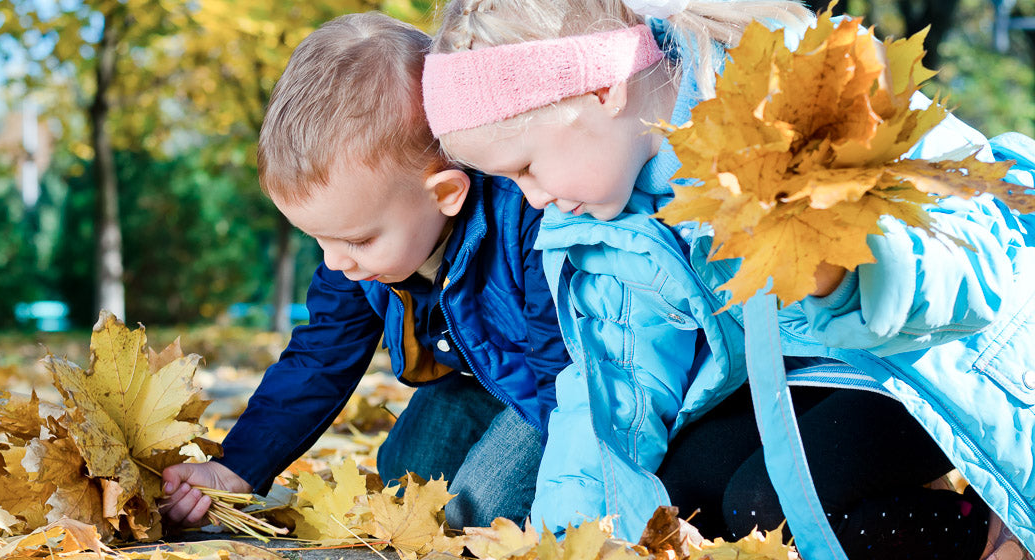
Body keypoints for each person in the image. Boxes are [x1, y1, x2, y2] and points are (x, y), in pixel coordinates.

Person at [421, 1, 1035, 558]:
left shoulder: (792, 84)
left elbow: (974, 249)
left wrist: (847, 272)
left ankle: (983, 532)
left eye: (528, 167)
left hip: (944, 364)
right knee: (684, 498)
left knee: (769, 505)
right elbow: (616, 388)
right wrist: (568, 543)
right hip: (810, 375)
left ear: (602, 90)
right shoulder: (606, 212)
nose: (534, 199)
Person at [158, 11, 569, 531]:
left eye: (356, 240)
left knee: (475, 510)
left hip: (560, 397)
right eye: (319, 240)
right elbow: (320, 355)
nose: (334, 261)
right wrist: (238, 467)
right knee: (404, 476)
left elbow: (566, 381)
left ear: (445, 193)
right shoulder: (357, 248)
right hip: (481, 385)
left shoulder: (525, 216)